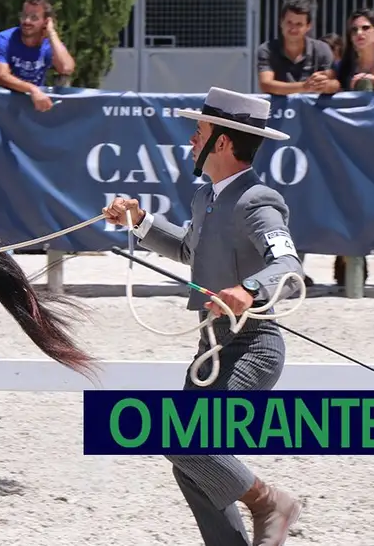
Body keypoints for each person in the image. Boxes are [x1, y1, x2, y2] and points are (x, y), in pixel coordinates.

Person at [102, 87, 304, 546]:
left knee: (185, 440)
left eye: (200, 132)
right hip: (211, 347)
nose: (192, 141)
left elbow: (288, 265)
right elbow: (190, 249)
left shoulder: (258, 200)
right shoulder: (205, 198)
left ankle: (269, 501)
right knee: (192, 465)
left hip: (252, 345)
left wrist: (249, 288)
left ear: (224, 143)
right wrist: (139, 222)